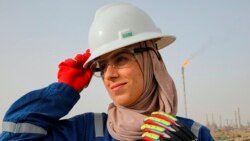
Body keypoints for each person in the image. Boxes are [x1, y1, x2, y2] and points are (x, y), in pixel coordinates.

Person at [0, 3, 214, 141]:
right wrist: (63, 90)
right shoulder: (87, 131)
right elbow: (15, 133)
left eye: (121, 59)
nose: (109, 74)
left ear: (151, 60)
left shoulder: (194, 134)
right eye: (101, 66)